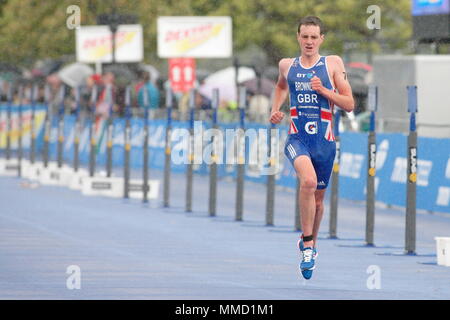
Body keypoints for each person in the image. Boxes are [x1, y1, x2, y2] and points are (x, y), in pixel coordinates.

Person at [269, 16, 354, 280]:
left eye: (313, 37)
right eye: (304, 37)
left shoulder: (332, 63)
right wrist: (275, 109)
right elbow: (281, 86)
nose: (309, 42)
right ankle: (307, 243)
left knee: (318, 201)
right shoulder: (287, 65)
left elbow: (349, 103)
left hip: (325, 142)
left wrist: (325, 91)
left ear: (321, 40)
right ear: (298, 37)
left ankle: (312, 244)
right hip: (298, 139)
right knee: (308, 181)